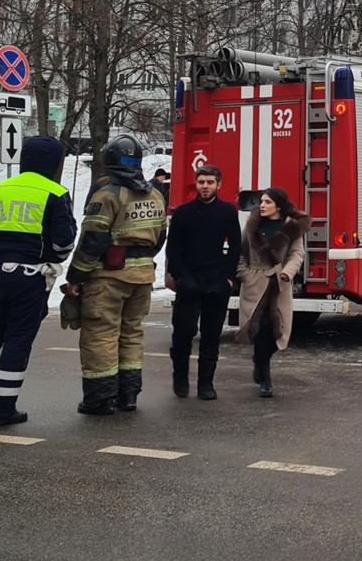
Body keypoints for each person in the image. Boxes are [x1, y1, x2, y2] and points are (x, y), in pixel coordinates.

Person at [0, 135, 77, 427]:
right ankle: (1, 411)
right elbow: (64, 243)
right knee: (17, 343)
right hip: (30, 277)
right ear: (53, 163)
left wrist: (1, 246)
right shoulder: (55, 192)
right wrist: (47, 254)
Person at [64, 135, 168, 416]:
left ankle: (100, 399)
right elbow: (159, 238)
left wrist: (76, 278)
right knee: (131, 333)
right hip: (143, 277)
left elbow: (92, 242)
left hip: (107, 278)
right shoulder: (156, 195)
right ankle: (128, 395)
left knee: (100, 335)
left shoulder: (107, 195)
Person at [165, 163, 241, 400]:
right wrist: (181, 277)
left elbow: (236, 246)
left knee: (211, 335)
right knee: (184, 332)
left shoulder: (228, 211)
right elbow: (173, 249)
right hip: (189, 281)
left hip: (216, 282)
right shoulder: (183, 212)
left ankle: (206, 384)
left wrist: (228, 279)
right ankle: (180, 378)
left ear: (219, 185)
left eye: (210, 182)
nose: (205, 186)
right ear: (196, 184)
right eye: (201, 182)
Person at [235, 186, 310, 398]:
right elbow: (242, 254)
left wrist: (287, 273)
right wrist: (246, 276)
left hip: (279, 283)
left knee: (279, 332)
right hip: (255, 284)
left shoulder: (291, 227)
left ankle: (260, 362)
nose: (262, 205)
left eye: (267, 202)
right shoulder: (252, 226)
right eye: (261, 201)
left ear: (278, 205)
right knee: (259, 330)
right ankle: (265, 378)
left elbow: (297, 254)